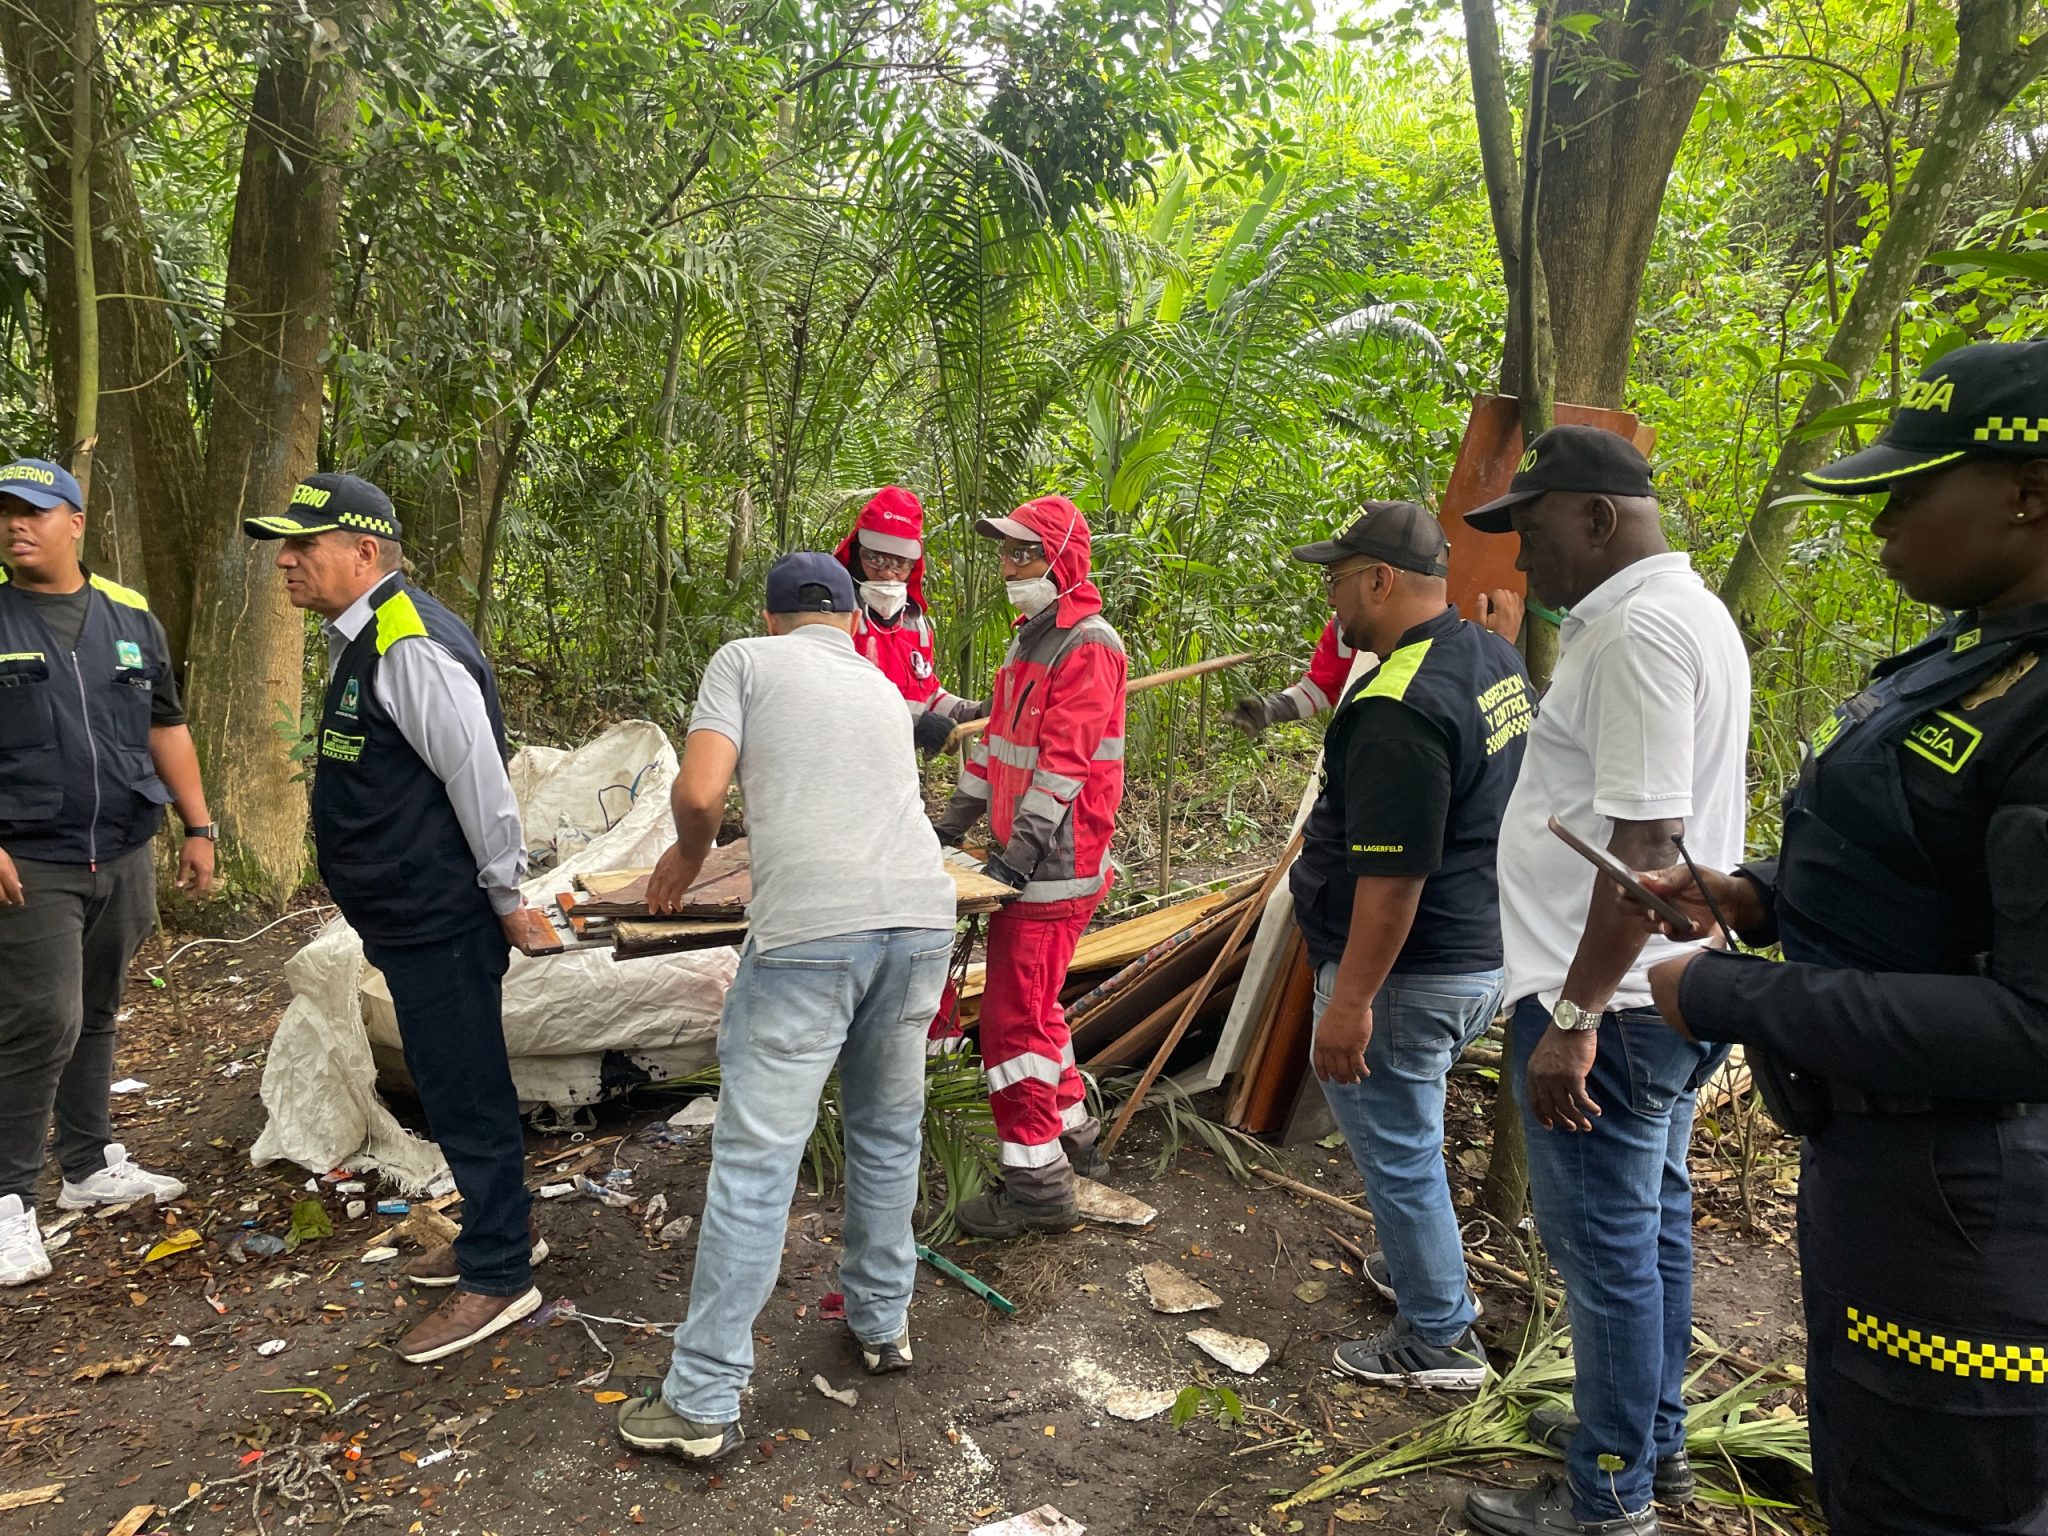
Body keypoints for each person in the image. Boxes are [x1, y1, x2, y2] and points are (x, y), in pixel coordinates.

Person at [1639, 341, 2048, 1533]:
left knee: (1935, 1500)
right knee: (1866, 1469)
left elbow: (2034, 1025)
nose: (1880, 525)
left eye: (1907, 493)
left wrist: (1723, 995)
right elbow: (1922, 864)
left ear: (2027, 491)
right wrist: (1751, 894)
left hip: (1972, 1214)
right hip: (1880, 1177)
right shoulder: (1972, 654)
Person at [1459, 427, 1751, 1536]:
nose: (1524, 563)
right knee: (1652, 1225)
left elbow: (1642, 845)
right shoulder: (1690, 614)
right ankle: (1650, 1439)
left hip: (1615, 1012)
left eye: (1532, 533)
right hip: (1668, 993)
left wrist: (1571, 1018)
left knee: (1607, 1258)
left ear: (1594, 518)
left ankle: (1606, 1493)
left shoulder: (1631, 631)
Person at [615, 552, 957, 1464]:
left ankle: (701, 1399)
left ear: (770, 620)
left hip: (813, 936)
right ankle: (884, 1323)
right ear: (850, 621)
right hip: (922, 918)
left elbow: (697, 791)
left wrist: (687, 861)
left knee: (758, 1162)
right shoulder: (884, 687)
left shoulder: (744, 661)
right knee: (888, 1131)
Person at [246, 473, 543, 1363]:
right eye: (284, 547)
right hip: (405, 912)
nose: (287, 562)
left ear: (364, 552)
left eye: (305, 546)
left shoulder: (408, 643)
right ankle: (503, 1233)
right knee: (454, 1082)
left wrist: (506, 894)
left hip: (440, 913)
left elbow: (480, 781)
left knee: (465, 1086)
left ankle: (499, 1274)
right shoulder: (361, 635)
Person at [1288, 501, 1533, 1391]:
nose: (1332, 598)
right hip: (1480, 951)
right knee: (1410, 1138)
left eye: (1339, 579)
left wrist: (1350, 1002)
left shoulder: (1399, 704)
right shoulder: (1491, 656)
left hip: (1410, 974)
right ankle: (1421, 1261)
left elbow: (1394, 883)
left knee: (1397, 1149)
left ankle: (1439, 1338)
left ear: (1382, 580)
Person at [0, 458, 215, 1288]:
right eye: (7, 513)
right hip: (31, 858)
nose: (19, 525)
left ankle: (88, 1167)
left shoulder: (129, 616)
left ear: (76, 522)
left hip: (124, 846)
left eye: (36, 512)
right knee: (37, 1020)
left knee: (95, 1008)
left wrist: (197, 824)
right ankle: (10, 1200)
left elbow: (166, 725)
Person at [932, 496, 1126, 1238]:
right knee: (1039, 1008)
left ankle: (1037, 1186)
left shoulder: (1089, 645)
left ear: (1060, 560)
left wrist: (1015, 860)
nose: (1010, 568)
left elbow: (1064, 766)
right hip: (1031, 862)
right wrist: (954, 820)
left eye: (1023, 555)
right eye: (1006, 555)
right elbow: (998, 747)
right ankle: (1074, 1138)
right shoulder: (1029, 642)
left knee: (1012, 1025)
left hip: (1057, 869)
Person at [1227, 592, 1526, 737]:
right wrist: (1272, 708)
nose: (1333, 598)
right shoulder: (1346, 626)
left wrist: (1499, 645)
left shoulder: (1462, 617)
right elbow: (1320, 689)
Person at [831, 486, 985, 750]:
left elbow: (926, 694)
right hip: (844, 765)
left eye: (899, 563)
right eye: (876, 559)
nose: (888, 574)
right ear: (856, 552)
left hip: (894, 771)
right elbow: (830, 697)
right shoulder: (835, 615)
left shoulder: (915, 622)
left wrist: (973, 712)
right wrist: (913, 725)